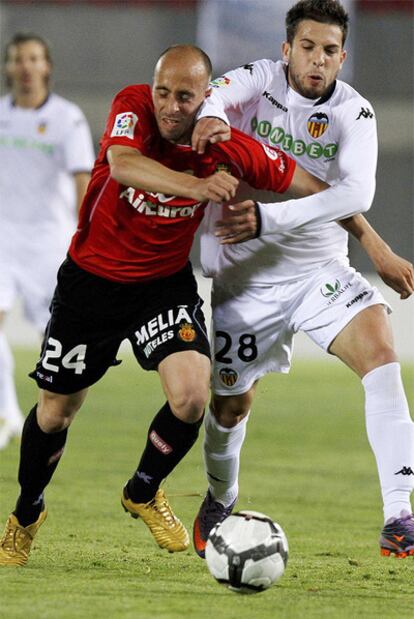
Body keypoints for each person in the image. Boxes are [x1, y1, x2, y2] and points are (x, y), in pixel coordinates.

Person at [0, 44, 335, 567]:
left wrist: (372, 243)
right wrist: (198, 186)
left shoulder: (229, 145)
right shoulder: (133, 106)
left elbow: (318, 189)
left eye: (185, 96)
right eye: (164, 92)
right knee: (55, 412)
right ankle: (25, 513)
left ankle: (143, 489)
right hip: (92, 280)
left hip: (162, 285)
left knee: (191, 398)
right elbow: (124, 164)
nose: (171, 106)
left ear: (208, 97)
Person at [191, 0, 414, 559]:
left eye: (330, 51)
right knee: (229, 409)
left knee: (383, 360)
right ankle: (222, 496)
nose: (318, 60)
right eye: (308, 47)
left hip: (319, 271)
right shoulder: (257, 80)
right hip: (246, 279)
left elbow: (355, 195)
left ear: (344, 57)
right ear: (287, 49)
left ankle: (400, 512)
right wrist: (212, 117)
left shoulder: (355, 113)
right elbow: (212, 96)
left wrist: (270, 217)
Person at [0, 33, 95, 449]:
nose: (25, 66)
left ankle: (48, 419)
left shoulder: (66, 117)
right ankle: (7, 415)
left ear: (47, 66)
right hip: (3, 238)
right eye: (18, 58)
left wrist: (84, 239)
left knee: (53, 340)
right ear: (8, 68)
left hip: (50, 242)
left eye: (34, 58)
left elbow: (82, 178)